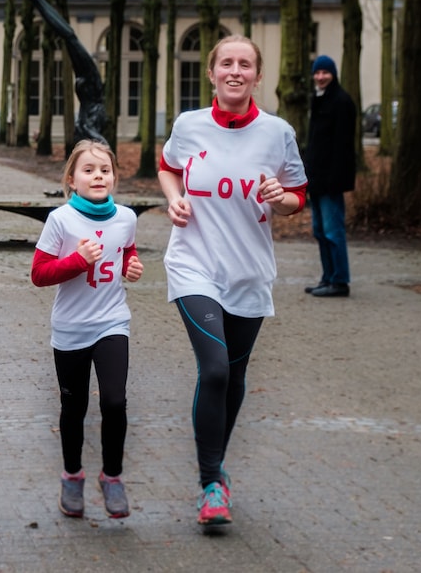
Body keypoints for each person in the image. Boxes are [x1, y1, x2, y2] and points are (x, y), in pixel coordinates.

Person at [158, 35, 307, 528]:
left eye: (245, 64)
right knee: (216, 370)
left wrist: (280, 198)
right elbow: (167, 167)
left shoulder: (277, 133)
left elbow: (297, 196)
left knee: (235, 377)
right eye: (227, 63)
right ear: (212, 73)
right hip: (194, 264)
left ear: (258, 76)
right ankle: (210, 483)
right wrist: (174, 199)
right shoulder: (189, 125)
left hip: (248, 272)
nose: (235, 71)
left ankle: (216, 470)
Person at [30, 139, 143, 520]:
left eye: (105, 170)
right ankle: (72, 475)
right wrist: (78, 260)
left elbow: (126, 250)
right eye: (89, 170)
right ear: (72, 179)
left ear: (114, 177)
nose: (98, 176)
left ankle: (112, 476)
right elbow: (39, 274)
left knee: (114, 401)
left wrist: (131, 266)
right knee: (74, 407)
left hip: (112, 321)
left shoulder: (126, 218)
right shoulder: (60, 220)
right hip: (71, 328)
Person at [304, 55, 356, 298]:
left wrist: (335, 180)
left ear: (333, 74)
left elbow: (343, 147)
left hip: (330, 181)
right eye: (317, 72)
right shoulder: (319, 99)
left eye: (325, 72)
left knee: (333, 232)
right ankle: (328, 277)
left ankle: (340, 281)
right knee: (320, 231)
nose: (320, 77)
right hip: (316, 180)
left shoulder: (342, 101)